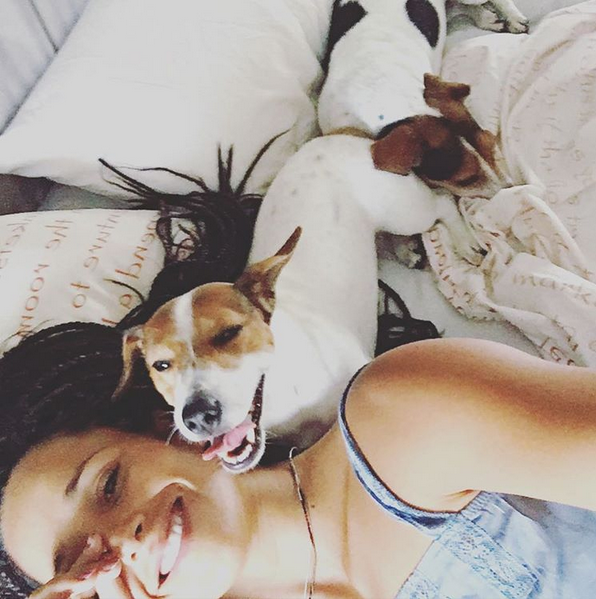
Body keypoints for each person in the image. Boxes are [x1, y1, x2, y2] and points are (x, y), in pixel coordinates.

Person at [3, 338, 596, 599]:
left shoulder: (401, 417)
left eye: (109, 484)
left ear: (173, 428)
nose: (121, 543)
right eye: (80, 564)